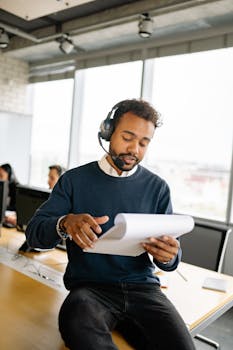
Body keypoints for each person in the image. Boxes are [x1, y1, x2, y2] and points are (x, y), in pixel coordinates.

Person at [26, 99, 195, 350]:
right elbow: (34, 234)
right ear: (108, 131)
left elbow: (171, 254)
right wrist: (64, 223)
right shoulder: (74, 180)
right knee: (78, 326)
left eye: (143, 143)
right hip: (90, 290)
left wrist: (169, 256)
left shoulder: (158, 188)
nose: (134, 149)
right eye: (128, 137)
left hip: (143, 290)